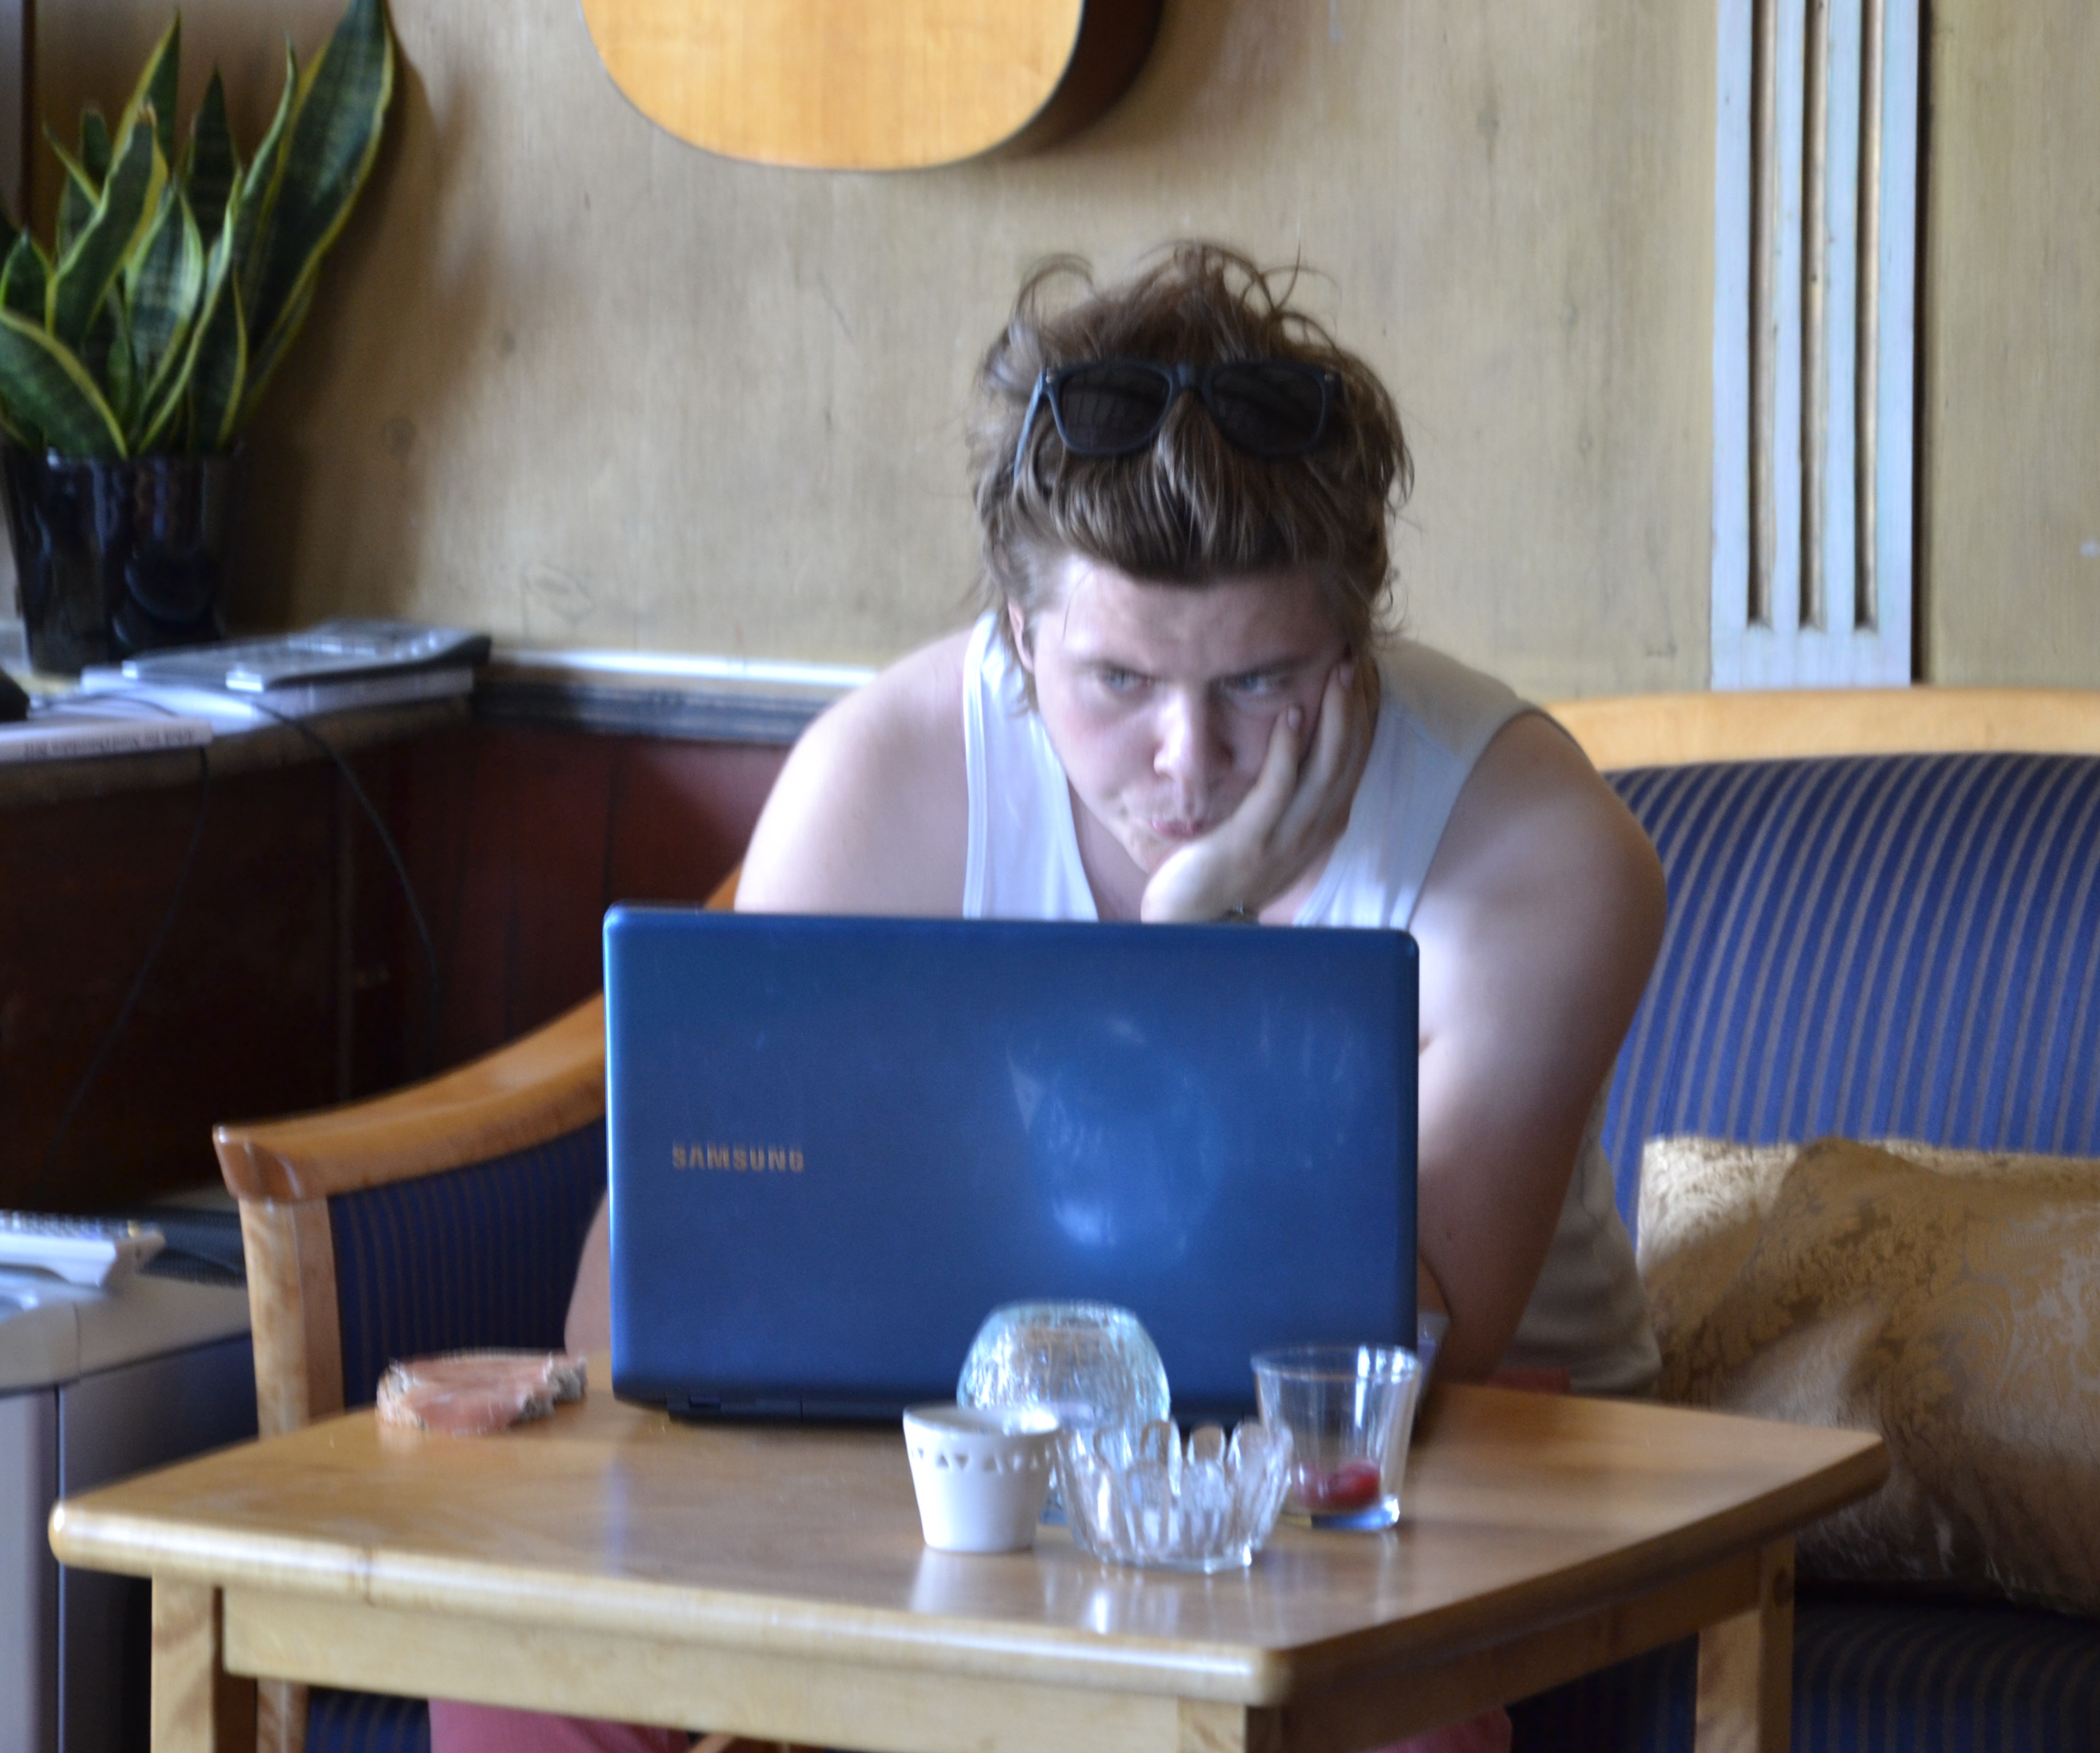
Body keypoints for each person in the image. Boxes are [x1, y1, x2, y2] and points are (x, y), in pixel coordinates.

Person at [450, 243, 1666, 1753]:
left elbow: (1391, 1349)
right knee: (516, 1672)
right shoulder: (889, 776)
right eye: (1118, 684)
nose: (1187, 762)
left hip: (1440, 1472)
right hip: (970, 1435)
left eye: (1259, 683)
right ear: (1020, 640)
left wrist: (1198, 932)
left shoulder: (1536, 851)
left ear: (1355, 648)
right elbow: (676, 1267)